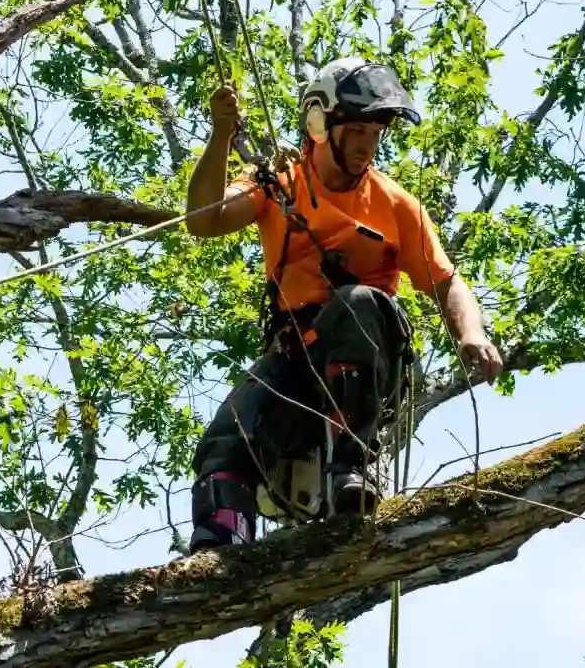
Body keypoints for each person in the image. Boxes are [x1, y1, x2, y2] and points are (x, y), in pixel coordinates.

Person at [184, 56, 503, 553]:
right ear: (319, 124)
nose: (367, 145)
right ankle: (221, 544)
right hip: (297, 355)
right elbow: (204, 221)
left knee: (354, 304)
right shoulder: (279, 180)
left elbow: (447, 283)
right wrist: (221, 135)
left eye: (376, 133)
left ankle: (351, 467)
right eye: (356, 130)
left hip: (363, 358)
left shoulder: (396, 205)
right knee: (228, 435)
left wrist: (471, 334)